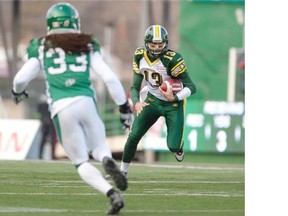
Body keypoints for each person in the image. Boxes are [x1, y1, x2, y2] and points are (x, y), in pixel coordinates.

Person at [11, 2, 133, 215]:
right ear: (75, 22)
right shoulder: (87, 43)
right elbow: (110, 78)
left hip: (61, 107)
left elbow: (20, 78)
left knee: (80, 162)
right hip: (86, 100)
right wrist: (124, 108)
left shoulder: (41, 46)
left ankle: (112, 195)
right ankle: (106, 159)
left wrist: (17, 92)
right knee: (98, 146)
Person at [120, 25, 197, 177]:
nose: (156, 48)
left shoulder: (173, 59)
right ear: (146, 43)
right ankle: (122, 171)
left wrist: (174, 97)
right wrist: (137, 102)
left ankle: (178, 146)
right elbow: (135, 86)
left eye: (160, 44)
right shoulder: (139, 55)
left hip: (173, 105)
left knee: (173, 147)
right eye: (153, 44)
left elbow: (191, 87)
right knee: (133, 136)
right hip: (152, 101)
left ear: (165, 44)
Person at [37, 94, 58, 160]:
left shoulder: (43, 102)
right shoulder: (51, 101)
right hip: (50, 123)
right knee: (50, 140)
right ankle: (51, 155)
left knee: (45, 140)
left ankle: (41, 155)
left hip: (46, 122)